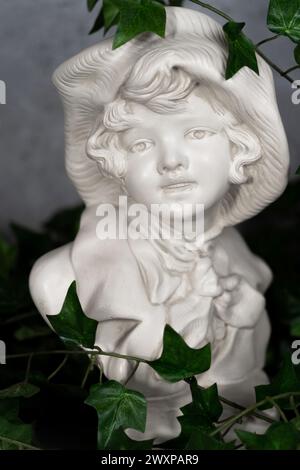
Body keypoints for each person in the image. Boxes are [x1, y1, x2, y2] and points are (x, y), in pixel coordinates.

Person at [29, 7, 289, 442]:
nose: (172, 161)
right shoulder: (62, 280)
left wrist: (248, 322)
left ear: (239, 150)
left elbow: (243, 377)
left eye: (197, 134)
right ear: (115, 165)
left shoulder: (238, 259)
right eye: (144, 143)